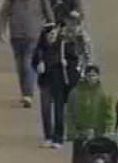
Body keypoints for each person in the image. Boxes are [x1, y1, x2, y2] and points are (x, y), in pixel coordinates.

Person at [0, 0, 53, 107]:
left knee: (27, 64)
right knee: (20, 66)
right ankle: (24, 93)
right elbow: (3, 13)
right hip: (16, 36)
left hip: (33, 35)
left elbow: (48, 11)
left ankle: (28, 94)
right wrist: (1, 31)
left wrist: (51, 26)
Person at [34, 20, 86, 149]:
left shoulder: (63, 45)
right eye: (48, 34)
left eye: (53, 33)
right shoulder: (40, 48)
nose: (51, 36)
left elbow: (74, 57)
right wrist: (37, 65)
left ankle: (58, 138)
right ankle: (48, 136)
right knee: (45, 110)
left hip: (59, 82)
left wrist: (65, 63)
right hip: (45, 82)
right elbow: (33, 62)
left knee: (59, 111)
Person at [67, 64, 116, 160]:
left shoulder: (105, 93)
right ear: (85, 76)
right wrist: (72, 132)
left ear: (98, 76)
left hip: (99, 135)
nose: (91, 78)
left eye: (94, 75)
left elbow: (110, 114)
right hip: (80, 135)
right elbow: (69, 113)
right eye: (89, 75)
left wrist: (109, 130)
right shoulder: (75, 92)